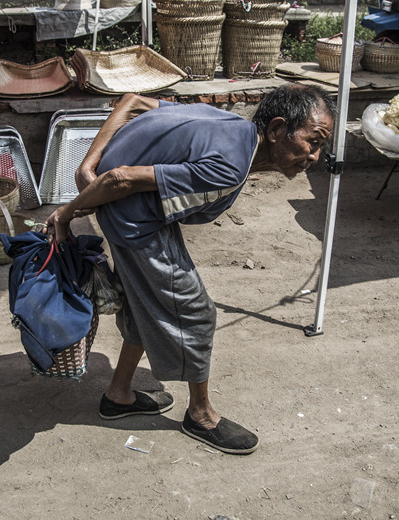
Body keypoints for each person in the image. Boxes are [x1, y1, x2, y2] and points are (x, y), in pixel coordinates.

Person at [44, 84, 337, 455]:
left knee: (144, 302)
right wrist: (67, 213)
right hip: (135, 223)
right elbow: (119, 179)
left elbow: (133, 102)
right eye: (314, 141)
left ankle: (118, 395)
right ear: (277, 129)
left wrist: (89, 163)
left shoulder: (233, 125)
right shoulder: (231, 164)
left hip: (135, 214)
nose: (314, 155)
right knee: (196, 314)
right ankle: (201, 415)